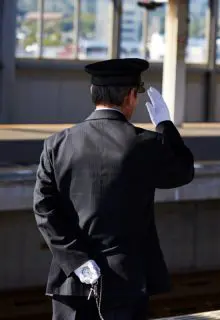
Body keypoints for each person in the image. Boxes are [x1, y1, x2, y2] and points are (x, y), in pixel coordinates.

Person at [33, 58, 195, 320]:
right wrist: (165, 125)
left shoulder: (57, 144)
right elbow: (183, 171)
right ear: (131, 96)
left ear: (93, 94)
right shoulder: (144, 143)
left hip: (71, 282)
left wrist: (77, 261)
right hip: (126, 281)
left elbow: (44, 210)